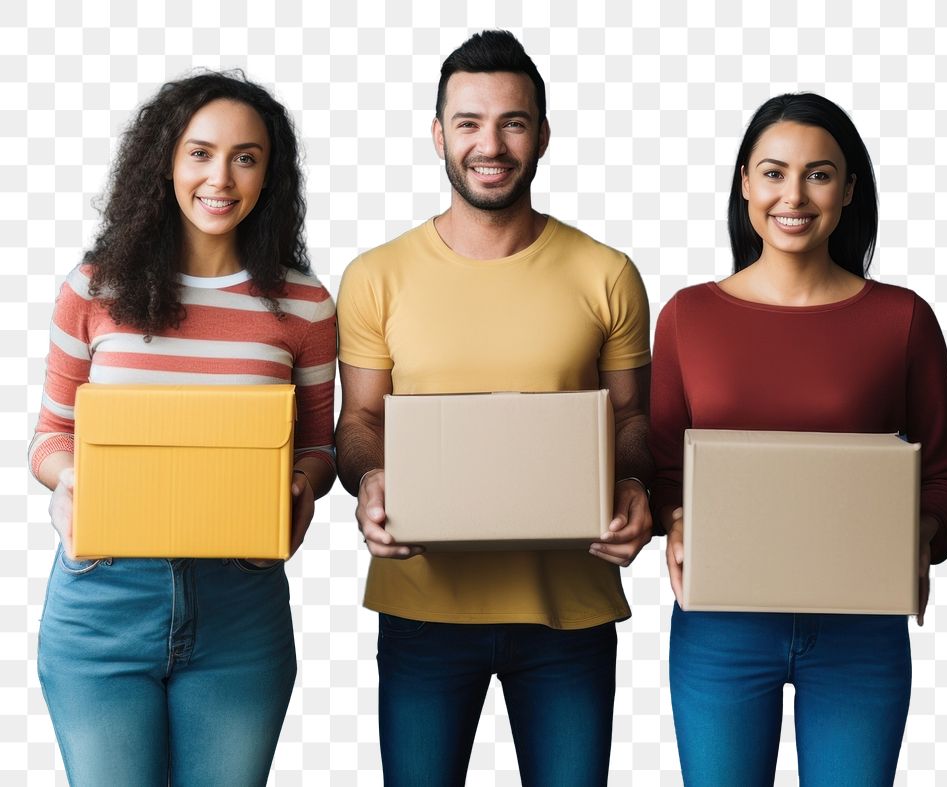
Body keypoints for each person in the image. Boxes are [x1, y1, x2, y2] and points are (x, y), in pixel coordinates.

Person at [335, 30, 653, 786]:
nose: (492, 144)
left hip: (569, 612)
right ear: (438, 135)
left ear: (542, 134)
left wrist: (638, 487)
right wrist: (370, 480)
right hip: (423, 608)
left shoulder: (607, 273)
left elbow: (634, 421)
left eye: (513, 122)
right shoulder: (376, 276)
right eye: (470, 122)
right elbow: (359, 422)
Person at [649, 93, 947, 786]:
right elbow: (662, 472)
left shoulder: (902, 319)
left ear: (850, 189)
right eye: (773, 172)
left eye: (819, 174)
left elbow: (946, 475)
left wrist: (920, 530)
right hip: (721, 628)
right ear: (743, 183)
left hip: (861, 628)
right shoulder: (687, 317)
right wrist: (672, 520)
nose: (793, 194)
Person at [29, 71, 336, 785]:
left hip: (240, 603)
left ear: (270, 174)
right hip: (102, 600)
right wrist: (76, 480)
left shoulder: (305, 304)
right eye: (199, 153)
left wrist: (298, 488)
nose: (220, 177)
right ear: (164, 161)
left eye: (245, 157)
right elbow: (50, 436)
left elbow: (318, 447)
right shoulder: (93, 288)